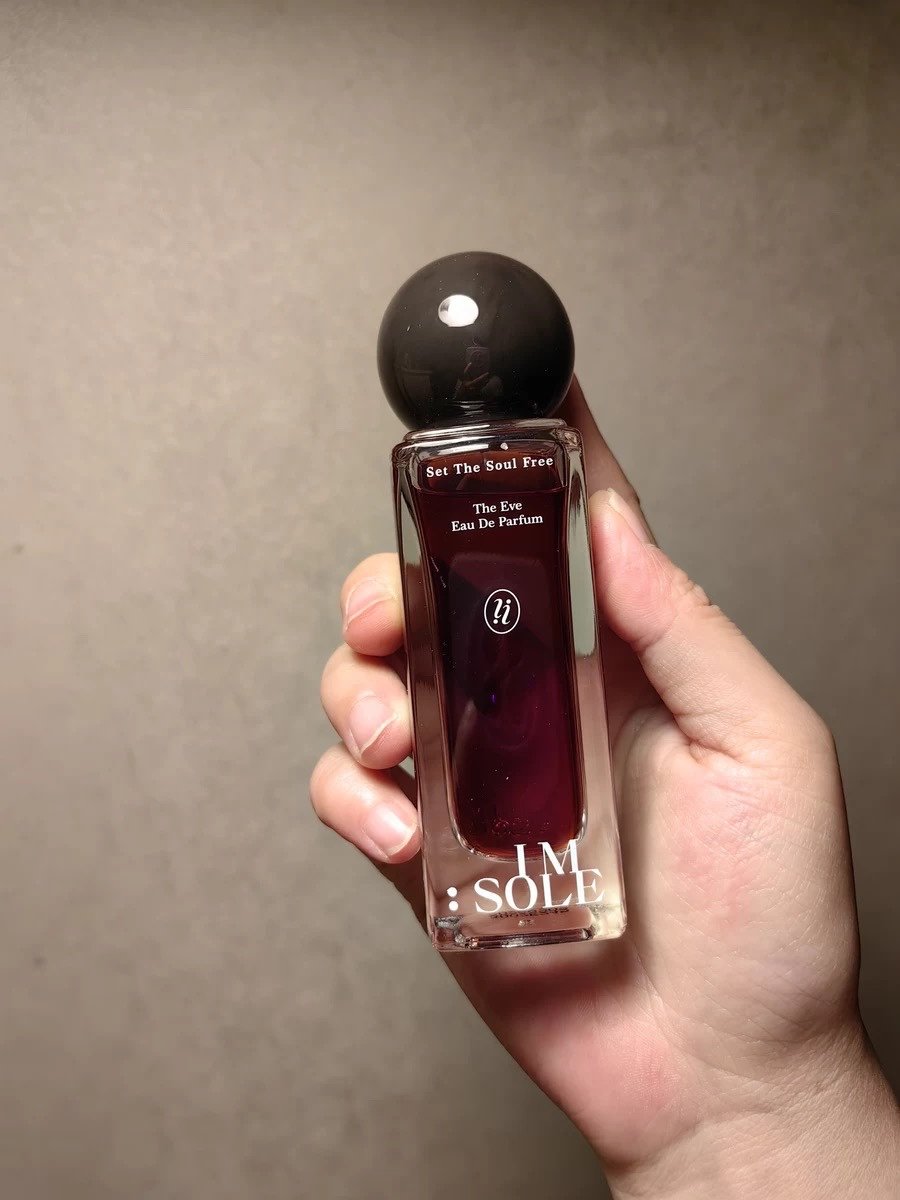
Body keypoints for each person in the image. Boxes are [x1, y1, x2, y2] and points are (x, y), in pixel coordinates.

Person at [311, 380, 899, 1197]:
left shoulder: (549, 461)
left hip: (623, 907)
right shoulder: (442, 469)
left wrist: (771, 1092)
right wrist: (737, 1124)